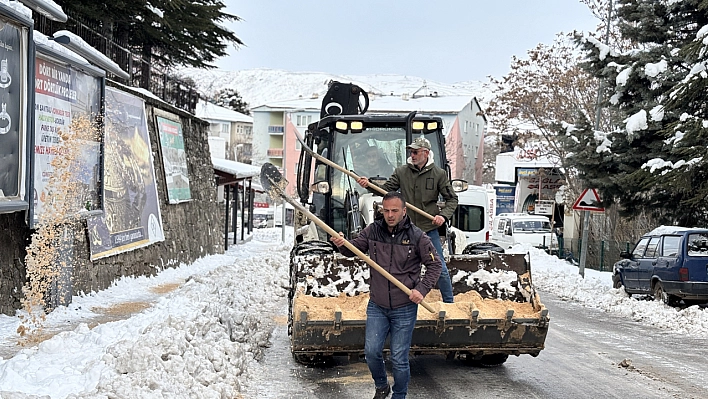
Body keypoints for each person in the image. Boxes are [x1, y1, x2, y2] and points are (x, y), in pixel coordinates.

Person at [330, 191, 441, 399]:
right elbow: (354, 250)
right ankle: (381, 385)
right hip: (378, 305)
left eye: (394, 211)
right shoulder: (373, 230)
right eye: (386, 210)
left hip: (404, 307)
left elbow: (435, 265)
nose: (390, 215)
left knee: (399, 358)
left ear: (404, 211)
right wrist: (342, 245)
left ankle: (399, 395)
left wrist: (422, 290)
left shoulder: (417, 236)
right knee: (371, 352)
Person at [356, 136, 458, 303]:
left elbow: (452, 199)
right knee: (398, 267)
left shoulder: (439, 174)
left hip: (427, 228)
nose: (413, 155)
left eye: (416, 152)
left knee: (439, 266)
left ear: (426, 153)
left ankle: (449, 302)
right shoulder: (401, 172)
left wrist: (443, 216)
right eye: (411, 152)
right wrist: (368, 184)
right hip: (406, 229)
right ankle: (397, 299)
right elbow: (386, 190)